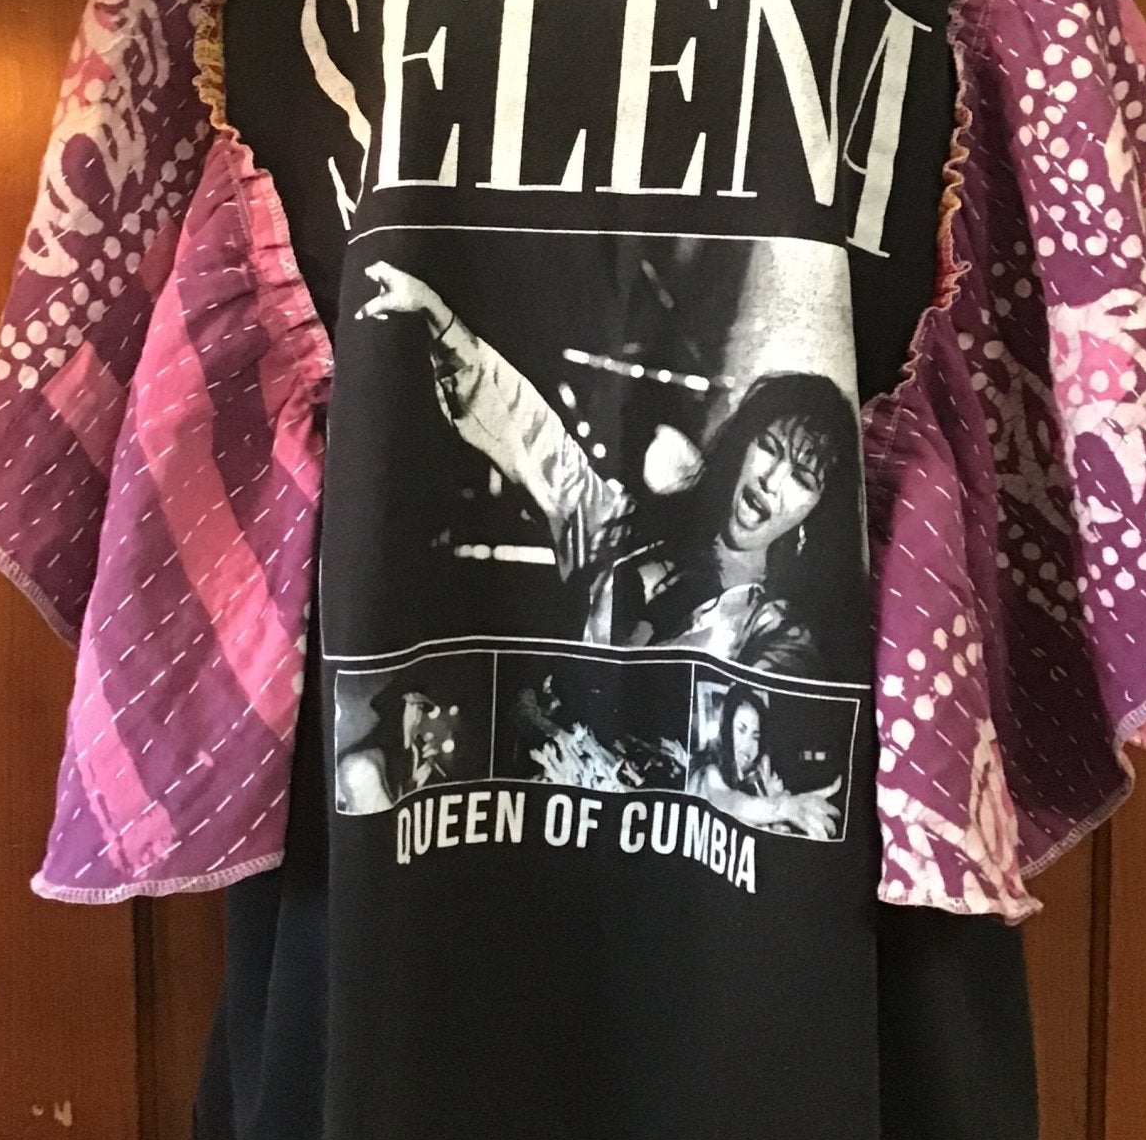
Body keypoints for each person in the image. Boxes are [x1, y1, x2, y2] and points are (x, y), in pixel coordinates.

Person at [356, 259, 862, 676]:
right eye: (769, 448)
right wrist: (439, 316)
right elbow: (534, 436)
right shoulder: (625, 529)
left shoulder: (780, 632)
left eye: (803, 478)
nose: (772, 481)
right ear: (743, 445)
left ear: (817, 510)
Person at [689, 682, 842, 840]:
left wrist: (775, 819)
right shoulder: (709, 773)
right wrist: (786, 807)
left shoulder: (744, 780)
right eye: (741, 730)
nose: (749, 745)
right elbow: (729, 802)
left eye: (755, 737)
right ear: (725, 731)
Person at [335, 687, 451, 814]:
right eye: (414, 708)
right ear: (397, 711)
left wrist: (415, 782)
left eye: (420, 710)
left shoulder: (414, 750)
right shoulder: (364, 763)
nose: (417, 718)